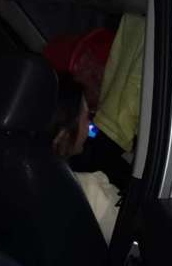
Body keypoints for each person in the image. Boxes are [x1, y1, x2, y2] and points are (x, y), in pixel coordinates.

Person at [50, 75, 121, 244]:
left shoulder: (8, 173)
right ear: (64, 133)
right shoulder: (93, 192)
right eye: (87, 116)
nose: (90, 126)